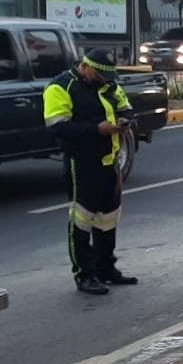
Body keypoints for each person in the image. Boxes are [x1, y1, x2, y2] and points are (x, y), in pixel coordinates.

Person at [43, 49, 139, 295]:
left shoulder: (109, 84)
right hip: (81, 163)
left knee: (108, 218)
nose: (106, 81)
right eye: (101, 75)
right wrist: (98, 129)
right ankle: (84, 274)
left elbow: (125, 107)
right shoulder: (60, 87)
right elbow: (59, 128)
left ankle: (105, 268)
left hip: (110, 161)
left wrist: (126, 120)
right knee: (82, 220)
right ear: (86, 67)